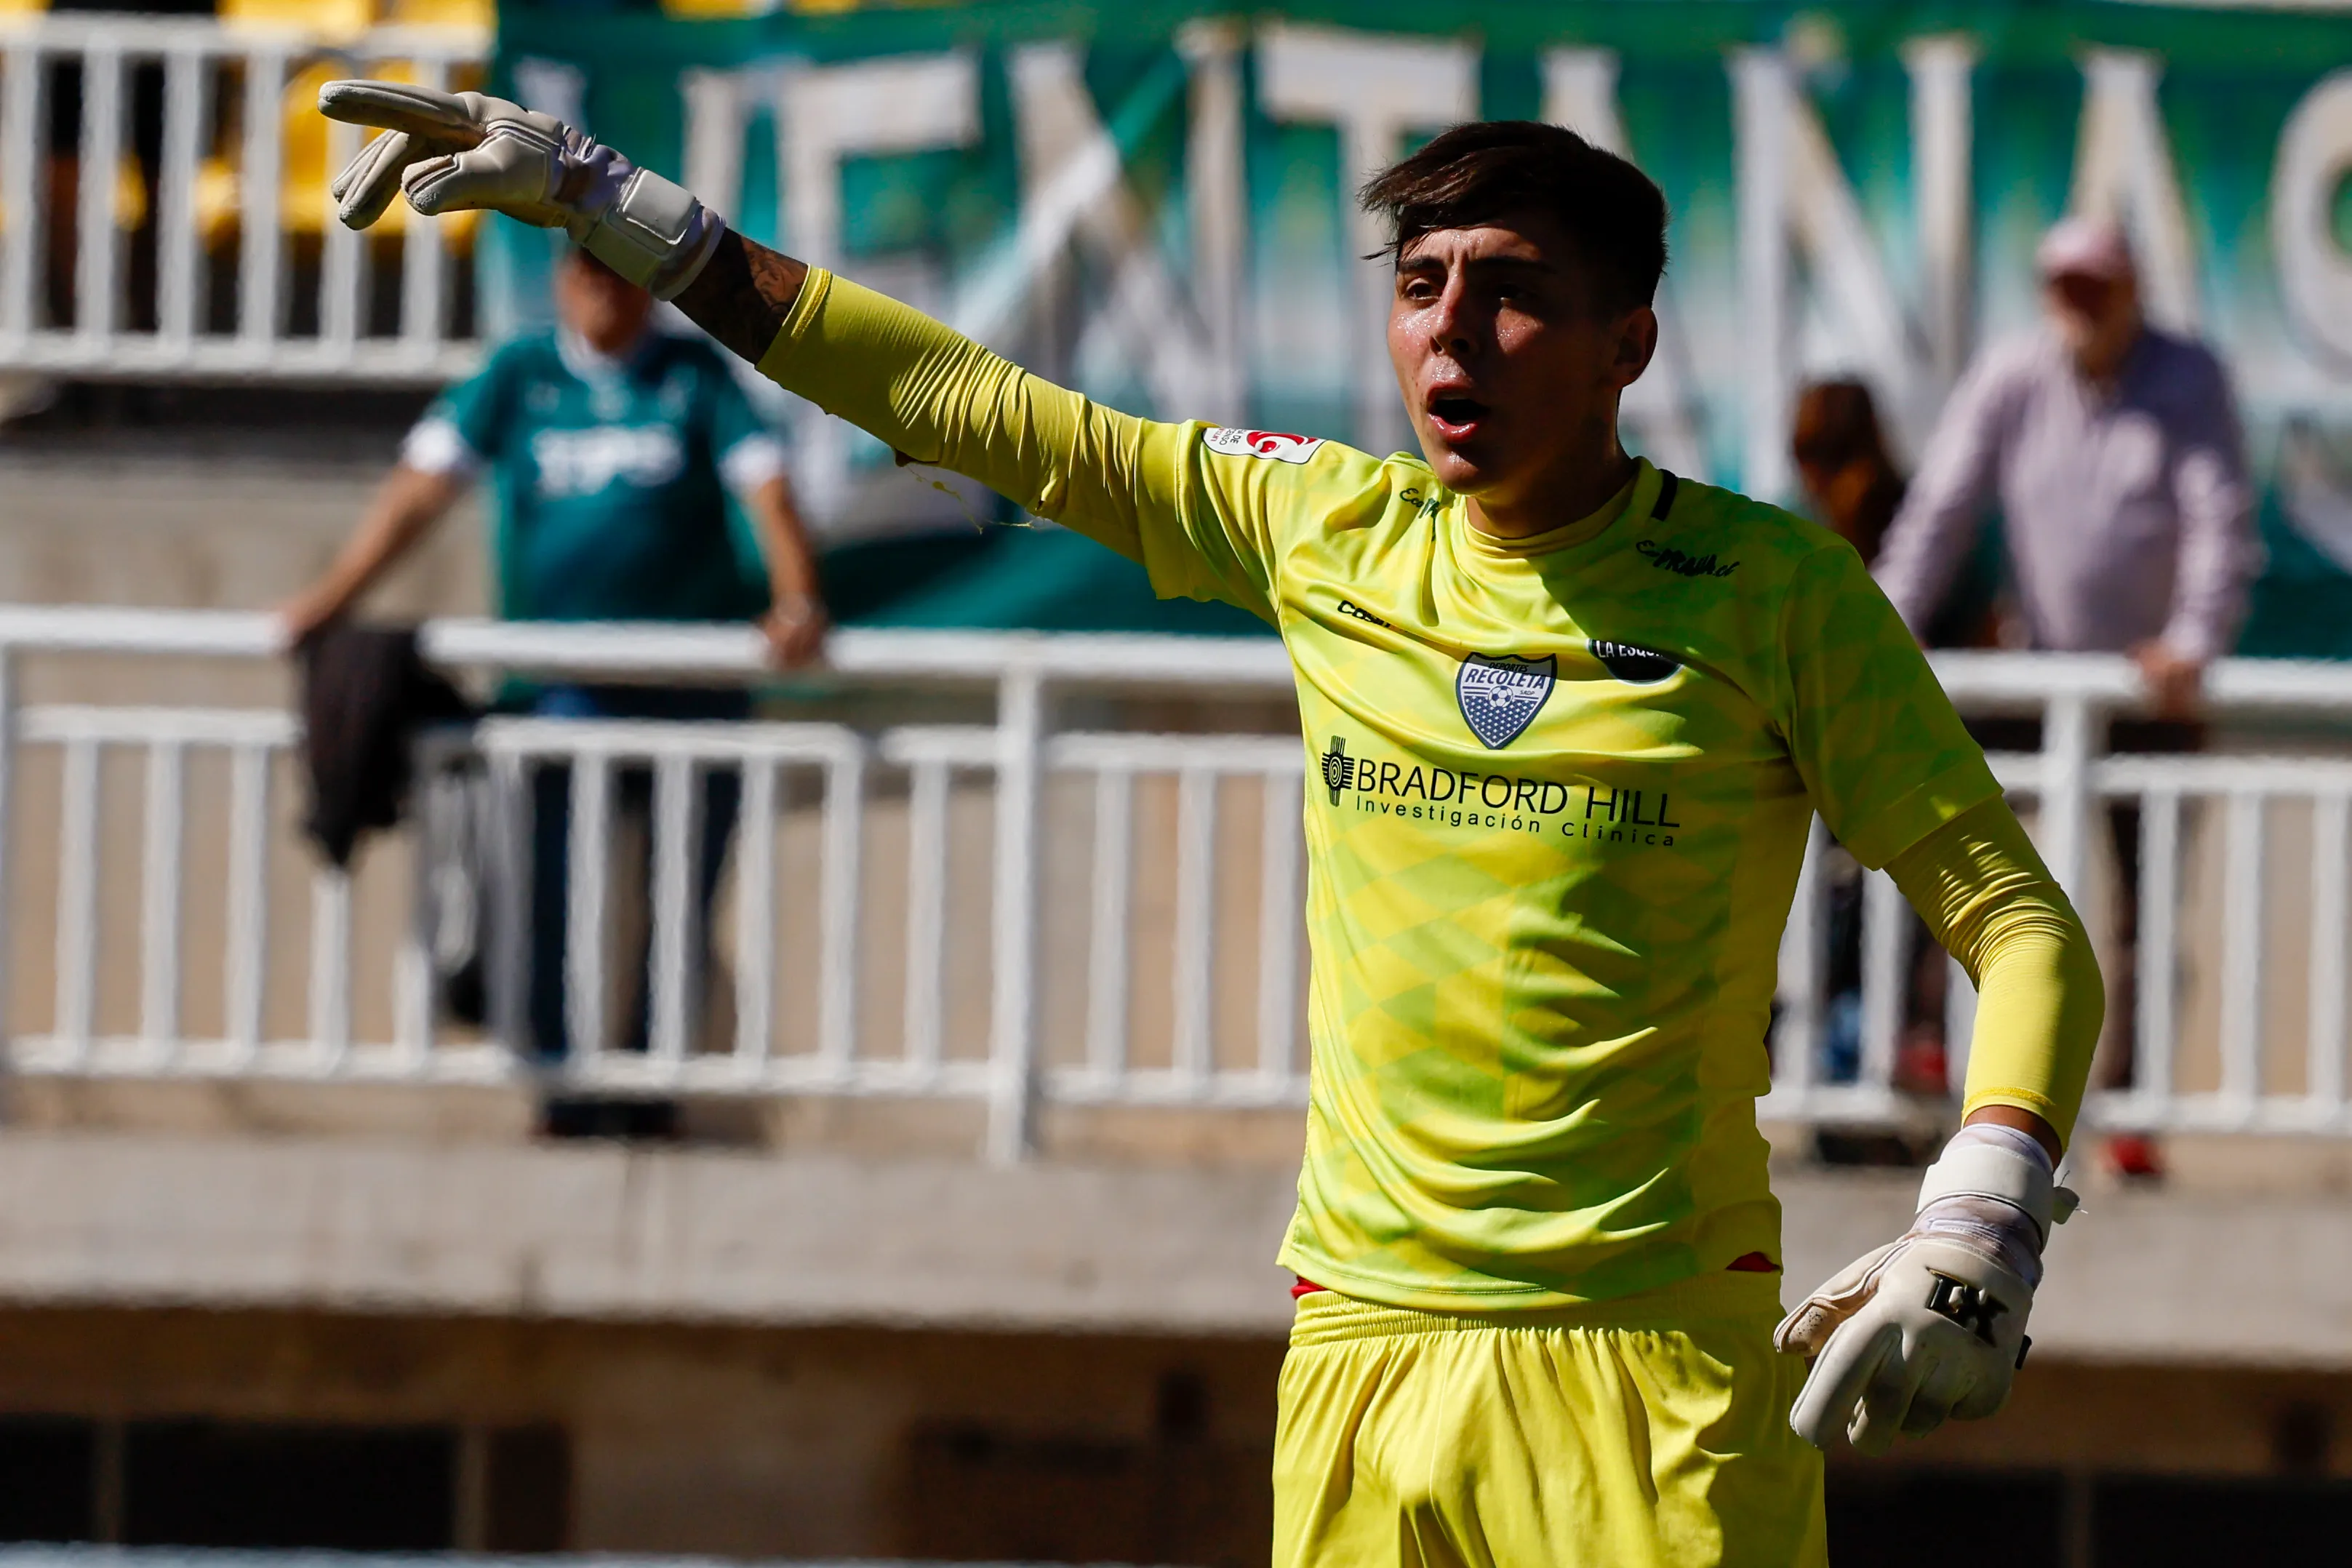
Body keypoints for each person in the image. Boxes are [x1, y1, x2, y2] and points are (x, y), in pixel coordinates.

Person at [318, 82, 2103, 1564]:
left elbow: (2020, 925)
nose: (1452, 331)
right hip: (1354, 1350)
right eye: (1419, 284)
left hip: (1649, 1374)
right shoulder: (1323, 530)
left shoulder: (1772, 591)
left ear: (1628, 338)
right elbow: (965, 407)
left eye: (1513, 291)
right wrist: (613, 203)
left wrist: (1985, 1207)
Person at [280, 244, 829, 1105]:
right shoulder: (521, 373)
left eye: (620, 277)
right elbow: (421, 490)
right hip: (562, 685)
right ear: (564, 283)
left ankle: (655, 1087)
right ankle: (560, 1086)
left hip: (691, 687)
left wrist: (798, 601)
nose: (602, 293)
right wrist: (331, 598)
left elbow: (767, 491)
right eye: (587, 274)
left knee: (681, 900)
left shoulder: (692, 376)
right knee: (546, 893)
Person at [1873, 217, 2260, 1178]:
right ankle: (1921, 1035)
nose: (2075, 307)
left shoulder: (2187, 380)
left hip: (2143, 689)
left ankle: (2128, 1112)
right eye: (2062, 287)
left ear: (2130, 292)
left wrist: (2190, 643)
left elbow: (2218, 516)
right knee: (1947, 838)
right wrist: (1882, 623)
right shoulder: (2013, 374)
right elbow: (1943, 503)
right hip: (2031, 670)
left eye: (2093, 289)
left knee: (2144, 905)